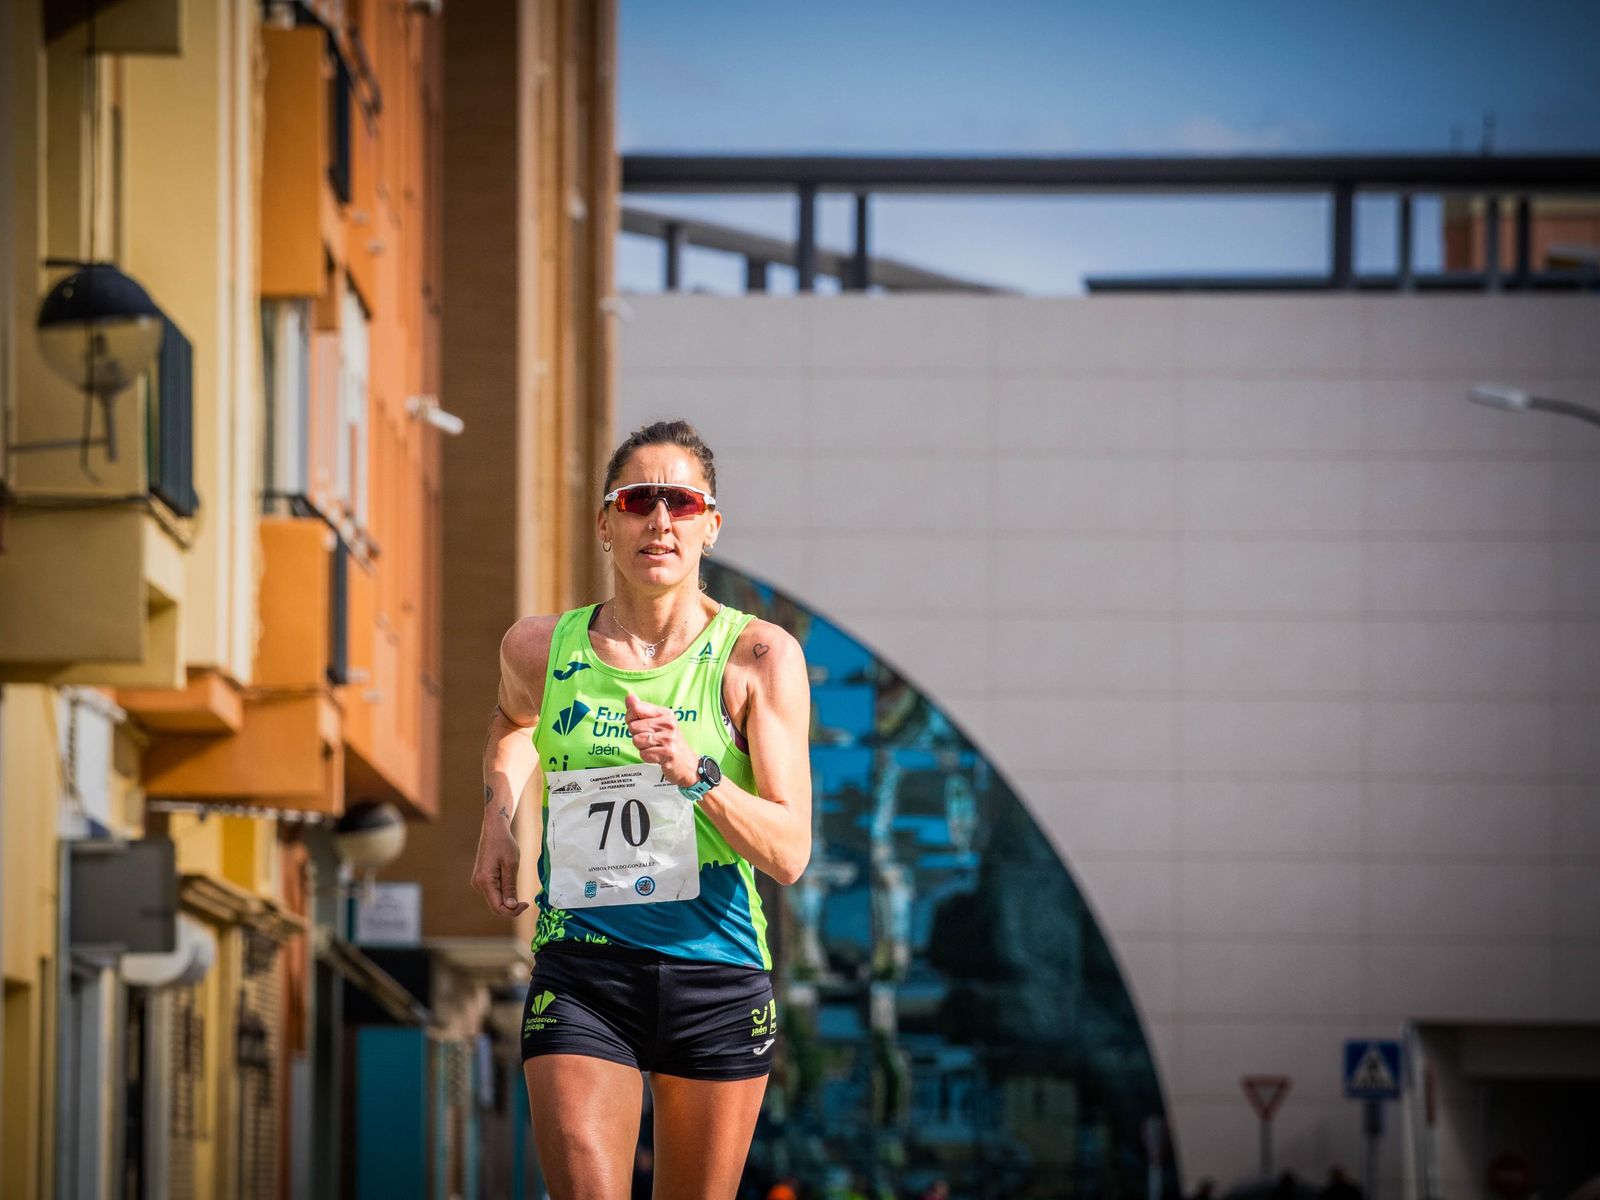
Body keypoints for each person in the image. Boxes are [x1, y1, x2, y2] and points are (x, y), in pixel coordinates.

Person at [472, 420, 813, 1200]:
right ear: (605, 523)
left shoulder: (757, 658)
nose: (659, 520)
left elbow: (789, 852)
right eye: (638, 499)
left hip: (716, 973)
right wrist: (498, 813)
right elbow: (511, 723)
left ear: (709, 526)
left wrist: (694, 772)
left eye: (682, 502)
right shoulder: (537, 648)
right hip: (583, 970)